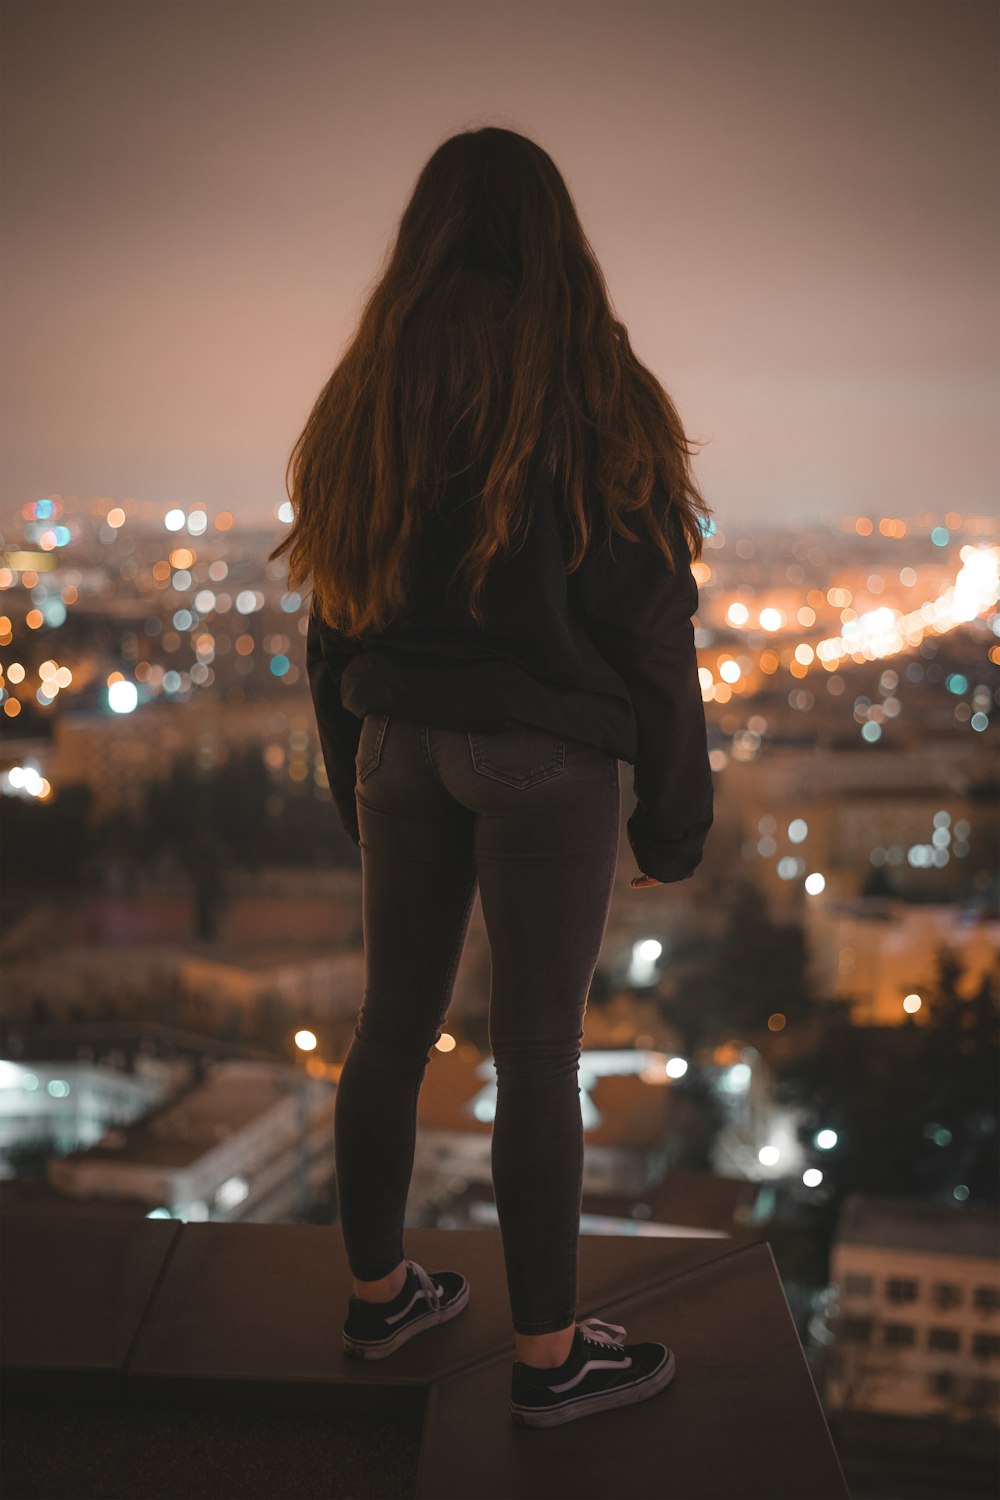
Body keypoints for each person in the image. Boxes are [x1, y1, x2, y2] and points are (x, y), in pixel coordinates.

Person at [270, 125, 715, 1429]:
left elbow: (328, 611)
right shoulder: (593, 388)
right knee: (536, 1052)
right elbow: (650, 625)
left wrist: (346, 775)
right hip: (543, 757)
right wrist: (674, 817)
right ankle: (550, 1362)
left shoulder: (367, 393)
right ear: (554, 237)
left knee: (387, 1031)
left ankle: (378, 1296)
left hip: (396, 741)